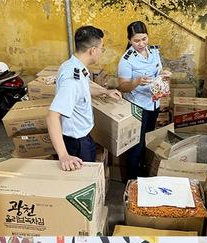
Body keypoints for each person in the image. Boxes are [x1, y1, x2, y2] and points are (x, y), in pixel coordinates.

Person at [47, 26, 122, 172]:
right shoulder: (72, 80)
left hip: (82, 137)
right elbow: (52, 116)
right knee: (84, 182)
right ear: (93, 50)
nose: (101, 52)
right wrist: (64, 155)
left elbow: (83, 89)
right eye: (102, 49)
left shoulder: (73, 65)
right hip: (76, 144)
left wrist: (105, 92)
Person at [116, 21, 172, 180]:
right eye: (136, 41)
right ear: (129, 40)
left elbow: (158, 71)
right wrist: (136, 82)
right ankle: (131, 180)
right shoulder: (126, 60)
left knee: (147, 138)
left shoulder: (154, 52)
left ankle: (142, 169)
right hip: (137, 106)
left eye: (144, 39)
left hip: (154, 103)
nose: (141, 44)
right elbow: (122, 86)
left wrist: (164, 74)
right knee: (136, 144)